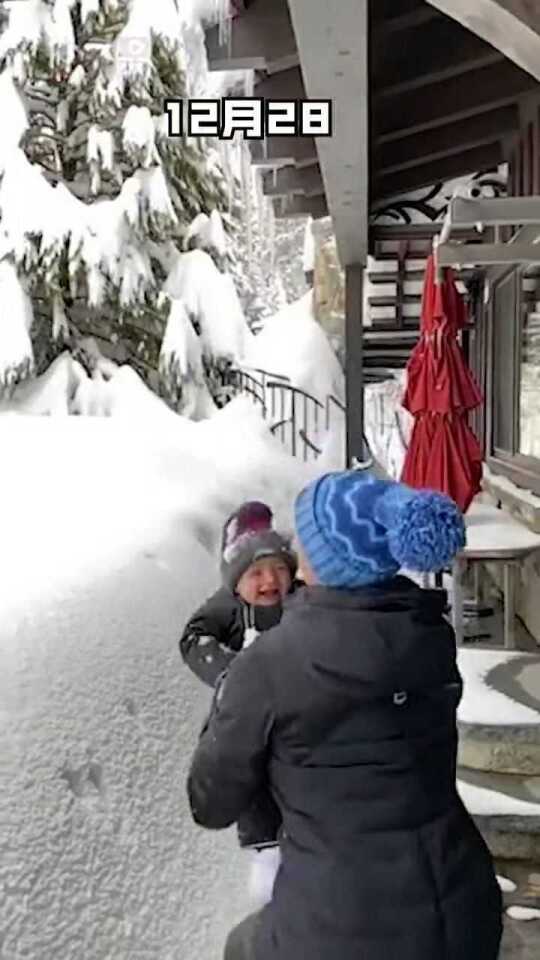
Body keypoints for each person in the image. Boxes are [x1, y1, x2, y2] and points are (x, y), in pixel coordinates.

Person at [186, 469, 502, 960]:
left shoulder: (268, 664)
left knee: (239, 947)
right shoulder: (430, 635)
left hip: (337, 931)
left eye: (303, 542)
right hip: (466, 910)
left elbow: (210, 803)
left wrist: (233, 692)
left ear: (323, 558)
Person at [180, 500, 299, 882]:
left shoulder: (299, 600)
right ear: (235, 579)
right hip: (247, 718)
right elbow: (193, 638)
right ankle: (265, 855)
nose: (270, 582)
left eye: (279, 569)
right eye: (257, 573)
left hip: (295, 715)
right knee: (252, 777)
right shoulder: (227, 606)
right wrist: (230, 674)